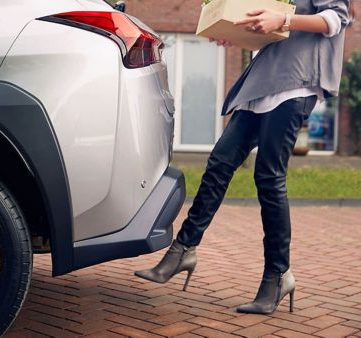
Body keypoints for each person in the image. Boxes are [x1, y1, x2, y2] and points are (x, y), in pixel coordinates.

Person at [135, 0, 350, 315]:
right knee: (219, 163)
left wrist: (284, 18)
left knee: (268, 176)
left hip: (296, 83)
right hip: (263, 83)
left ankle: (277, 276)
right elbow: (271, 30)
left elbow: (334, 19)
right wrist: (236, 33)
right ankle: (183, 250)